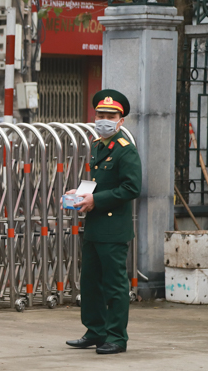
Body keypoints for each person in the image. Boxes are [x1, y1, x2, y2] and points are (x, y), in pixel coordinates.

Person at [66, 89, 142, 355]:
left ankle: (117, 337)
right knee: (90, 283)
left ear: (120, 120)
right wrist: (79, 194)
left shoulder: (125, 150)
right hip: (95, 227)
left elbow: (131, 188)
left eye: (110, 115)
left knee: (114, 284)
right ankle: (95, 331)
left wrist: (96, 201)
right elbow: (99, 184)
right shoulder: (99, 144)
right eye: (100, 114)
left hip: (113, 228)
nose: (104, 119)